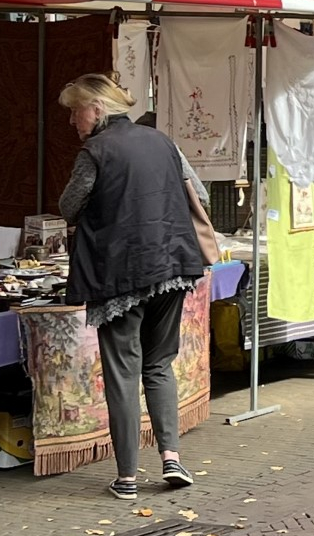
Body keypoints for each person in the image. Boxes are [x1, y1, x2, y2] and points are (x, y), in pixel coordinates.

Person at [58, 74, 207, 500]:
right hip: (174, 265)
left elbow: (69, 206)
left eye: (76, 110)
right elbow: (198, 194)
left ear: (98, 109)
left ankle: (126, 476)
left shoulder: (96, 151)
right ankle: (172, 458)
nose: (72, 120)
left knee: (123, 373)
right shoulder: (162, 141)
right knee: (159, 365)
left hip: (120, 273)